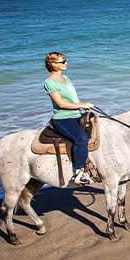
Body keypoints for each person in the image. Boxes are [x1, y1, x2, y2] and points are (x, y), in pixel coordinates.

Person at [44, 52, 94, 185]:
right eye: (63, 61)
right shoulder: (49, 82)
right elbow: (60, 103)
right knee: (81, 138)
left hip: (76, 114)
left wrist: (83, 108)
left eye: (65, 61)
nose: (66, 63)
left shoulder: (66, 78)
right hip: (62, 118)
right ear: (53, 64)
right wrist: (81, 104)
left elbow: (73, 99)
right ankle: (78, 172)